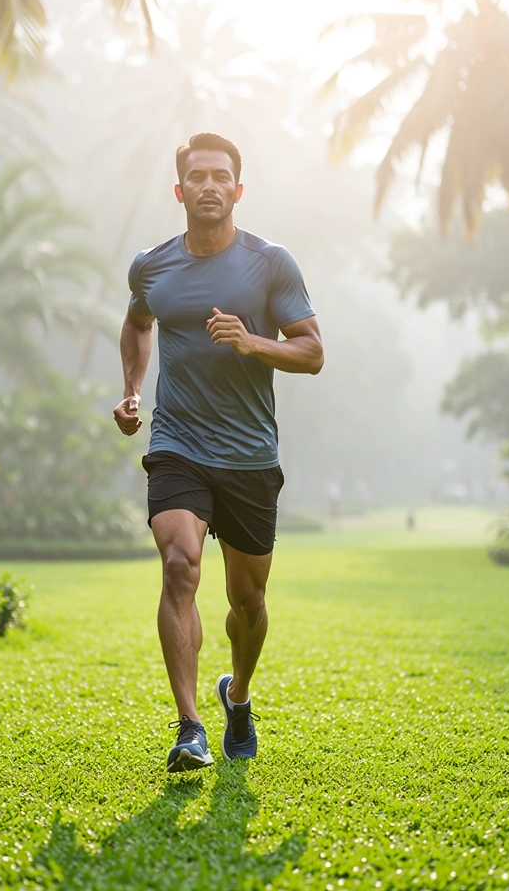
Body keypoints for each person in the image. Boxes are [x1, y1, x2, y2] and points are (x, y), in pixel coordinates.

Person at [113, 132, 323, 773]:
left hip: (250, 455)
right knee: (180, 566)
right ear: (180, 191)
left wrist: (253, 343)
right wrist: (130, 391)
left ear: (237, 189)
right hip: (178, 442)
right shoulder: (152, 267)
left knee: (248, 603)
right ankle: (190, 727)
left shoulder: (270, 264)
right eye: (196, 177)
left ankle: (238, 694)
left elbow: (312, 352)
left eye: (220, 177)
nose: (209, 185)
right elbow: (138, 322)